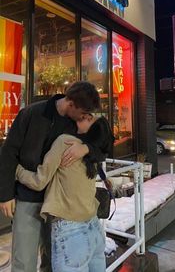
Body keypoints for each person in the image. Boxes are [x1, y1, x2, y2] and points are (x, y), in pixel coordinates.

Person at [0, 81, 103, 272]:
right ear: (71, 104)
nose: (85, 117)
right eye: (83, 113)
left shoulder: (79, 125)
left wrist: (87, 147)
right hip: (27, 197)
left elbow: (104, 145)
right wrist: (5, 195)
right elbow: (8, 152)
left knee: (53, 259)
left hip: (59, 206)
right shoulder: (32, 113)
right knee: (23, 259)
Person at [16, 115, 114, 272]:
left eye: (89, 119)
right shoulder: (92, 152)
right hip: (94, 229)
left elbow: (39, 181)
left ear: (93, 131)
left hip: (70, 232)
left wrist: (16, 169)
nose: (86, 116)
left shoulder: (66, 142)